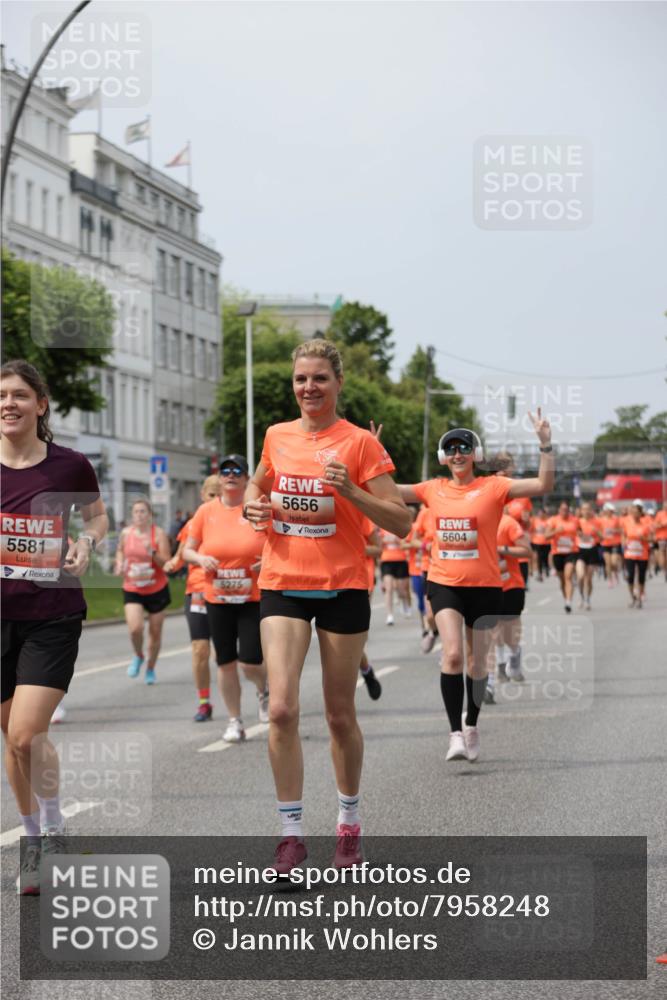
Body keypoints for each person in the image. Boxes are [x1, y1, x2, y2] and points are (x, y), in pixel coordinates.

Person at [243, 339, 410, 873]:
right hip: (283, 581)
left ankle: (349, 822)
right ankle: (290, 836)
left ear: (338, 384)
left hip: (342, 586)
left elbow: (402, 521)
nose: (308, 388)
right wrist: (252, 504)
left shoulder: (359, 444)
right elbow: (259, 483)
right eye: (300, 379)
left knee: (339, 716)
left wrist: (351, 494)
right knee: (281, 708)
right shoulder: (276, 435)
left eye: (319, 378)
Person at [1, 360, 108, 894]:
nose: (8, 404)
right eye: (1, 396)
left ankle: (55, 828)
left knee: (27, 731)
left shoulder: (68, 466)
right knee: (11, 739)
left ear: (40, 404)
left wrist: (86, 543)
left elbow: (97, 517)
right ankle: (31, 839)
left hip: (52, 615)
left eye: (20, 395)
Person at [397, 415, 553, 763]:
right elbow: (384, 489)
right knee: (452, 654)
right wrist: (369, 455)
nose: (457, 454)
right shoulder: (431, 489)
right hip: (444, 583)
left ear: (474, 454)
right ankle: (454, 733)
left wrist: (545, 445)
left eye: (464, 448)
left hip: (485, 587)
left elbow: (543, 484)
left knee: (478, 663)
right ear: (443, 457)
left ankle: (471, 724)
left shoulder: (494, 488)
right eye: (450, 449)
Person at [183, 455, 269, 742]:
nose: (230, 475)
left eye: (237, 471)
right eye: (225, 471)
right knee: (225, 662)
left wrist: (267, 561)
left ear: (246, 479)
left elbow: (279, 543)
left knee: (251, 662)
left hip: (252, 596)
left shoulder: (256, 509)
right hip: (217, 597)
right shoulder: (206, 512)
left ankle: (263, 688)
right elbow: (187, 550)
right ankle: (234, 720)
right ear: (220, 479)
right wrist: (201, 557)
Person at [164, 475, 222, 721]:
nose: (215, 501)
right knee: (200, 649)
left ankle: (262, 690)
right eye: (211, 495)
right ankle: (204, 701)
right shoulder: (193, 523)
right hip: (197, 590)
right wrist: (170, 565)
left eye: (219, 496)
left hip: (227, 590)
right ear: (202, 495)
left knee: (226, 654)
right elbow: (179, 556)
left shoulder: (234, 517)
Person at [114, 499, 171, 684]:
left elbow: (167, 563)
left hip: (156, 588)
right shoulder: (126, 533)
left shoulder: (158, 534)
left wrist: (152, 553)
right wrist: (119, 563)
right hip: (133, 587)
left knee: (155, 633)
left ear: (149, 515)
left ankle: (151, 668)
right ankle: (138, 655)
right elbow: (120, 551)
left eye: (143, 511)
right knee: (135, 628)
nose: (139, 515)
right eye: (136, 512)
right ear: (132, 515)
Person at [487, 509, 532, 702]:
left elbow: (526, 551)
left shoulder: (508, 523)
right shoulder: (478, 522)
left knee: (511, 632)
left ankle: (514, 655)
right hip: (488, 585)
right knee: (494, 629)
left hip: (511, 584)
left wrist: (501, 550)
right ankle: (500, 666)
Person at [358, 523, 383, 700]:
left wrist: (351, 547)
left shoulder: (363, 515)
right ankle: (365, 668)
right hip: (322, 580)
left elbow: (378, 549)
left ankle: (365, 670)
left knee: (355, 638)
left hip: (359, 582)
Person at [545, 501, 579, 613]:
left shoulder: (575, 520)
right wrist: (555, 531)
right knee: (562, 579)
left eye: (566, 509)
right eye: (562, 509)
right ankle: (566, 599)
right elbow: (546, 536)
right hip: (557, 553)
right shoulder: (553, 521)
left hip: (571, 552)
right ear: (559, 510)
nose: (565, 511)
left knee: (568, 576)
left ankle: (569, 602)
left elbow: (580, 532)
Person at [621, 499, 652, 608]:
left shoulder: (645, 525)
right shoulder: (627, 523)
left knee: (641, 578)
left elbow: (651, 539)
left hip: (642, 554)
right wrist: (623, 541)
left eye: (636, 512)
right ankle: (633, 597)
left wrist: (643, 538)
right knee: (630, 576)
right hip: (629, 554)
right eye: (632, 512)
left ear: (640, 513)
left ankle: (639, 598)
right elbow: (624, 535)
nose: (634, 514)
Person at [379, 528, 411, 624]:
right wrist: (383, 541)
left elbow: (406, 543)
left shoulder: (398, 527)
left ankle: (405, 603)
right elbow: (377, 544)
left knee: (401, 589)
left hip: (400, 560)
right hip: (386, 561)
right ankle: (389, 615)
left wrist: (397, 540)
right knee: (389, 588)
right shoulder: (381, 529)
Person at [575, 501, 602, 611]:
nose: (586, 511)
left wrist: (597, 533)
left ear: (591, 511)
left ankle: (587, 599)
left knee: (589, 579)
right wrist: (578, 534)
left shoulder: (596, 522)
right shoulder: (577, 522)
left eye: (588, 509)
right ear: (581, 511)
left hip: (592, 551)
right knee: (581, 576)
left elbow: (602, 537)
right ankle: (581, 596)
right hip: (580, 550)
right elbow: (571, 534)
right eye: (584, 509)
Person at [599, 502, 623, 587]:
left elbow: (621, 530)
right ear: (605, 511)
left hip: (615, 543)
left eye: (612, 511)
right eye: (610, 511)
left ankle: (615, 574)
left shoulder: (616, 519)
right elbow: (598, 531)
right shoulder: (601, 520)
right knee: (608, 563)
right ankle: (610, 580)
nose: (611, 512)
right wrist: (600, 535)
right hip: (605, 544)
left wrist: (614, 531)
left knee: (614, 562)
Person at [530, 506, 551, 582]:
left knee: (545, 557)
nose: (541, 515)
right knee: (539, 557)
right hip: (537, 542)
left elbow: (550, 530)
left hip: (546, 542)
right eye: (540, 513)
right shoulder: (535, 521)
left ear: (545, 514)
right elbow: (531, 529)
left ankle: (547, 567)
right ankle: (540, 573)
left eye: (542, 513)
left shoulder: (548, 521)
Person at [655, 500, 667, 581]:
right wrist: (662, 524)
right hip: (662, 537)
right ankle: (665, 571)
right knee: (662, 553)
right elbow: (655, 525)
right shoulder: (660, 514)